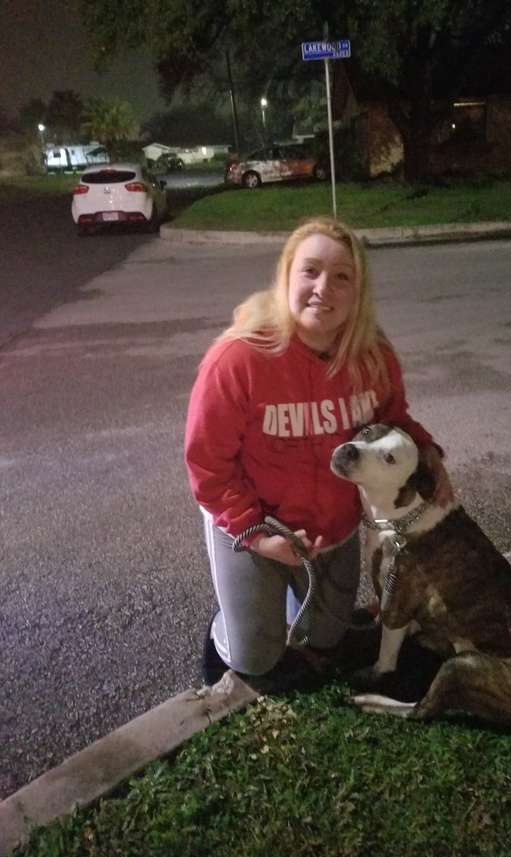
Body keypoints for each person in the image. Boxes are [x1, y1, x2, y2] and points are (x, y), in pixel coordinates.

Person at [184, 216, 453, 687]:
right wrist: (255, 535)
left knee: (324, 639)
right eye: (310, 271)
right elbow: (208, 464)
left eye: (341, 277)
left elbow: (393, 420)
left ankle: (283, 604)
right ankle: (230, 625)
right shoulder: (239, 359)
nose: (323, 288)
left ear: (358, 292)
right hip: (252, 521)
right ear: (287, 275)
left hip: (331, 528)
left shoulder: (372, 355)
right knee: (255, 658)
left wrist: (428, 451)